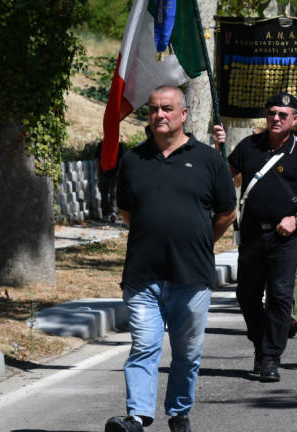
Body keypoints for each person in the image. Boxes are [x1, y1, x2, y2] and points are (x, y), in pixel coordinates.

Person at [105, 86, 236, 432]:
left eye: (166, 108)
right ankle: (137, 417)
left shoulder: (209, 159)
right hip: (142, 275)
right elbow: (126, 211)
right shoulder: (134, 159)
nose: (159, 115)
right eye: (153, 109)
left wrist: (199, 240)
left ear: (183, 114)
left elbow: (227, 211)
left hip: (191, 276)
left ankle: (179, 413)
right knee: (144, 347)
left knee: (186, 354)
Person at [213, 92, 297, 382]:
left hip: (286, 239)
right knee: (247, 295)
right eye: (271, 113)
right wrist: (217, 147)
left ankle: (270, 357)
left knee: (279, 297)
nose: (275, 118)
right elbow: (222, 176)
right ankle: (261, 341)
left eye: (282, 115)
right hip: (252, 235)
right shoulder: (249, 147)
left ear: (295, 120)